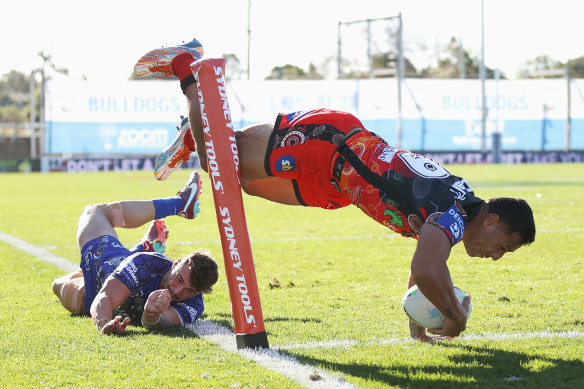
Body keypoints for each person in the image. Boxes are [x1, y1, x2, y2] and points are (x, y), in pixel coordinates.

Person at [134, 39, 536, 342]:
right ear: (493, 220)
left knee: (242, 184)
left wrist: (421, 324)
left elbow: (425, 265)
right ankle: (188, 67)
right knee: (219, 161)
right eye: (504, 245)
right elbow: (430, 269)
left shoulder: (460, 210)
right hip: (330, 145)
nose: (497, 256)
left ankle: (195, 134)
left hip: (338, 186)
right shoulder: (453, 214)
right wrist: (455, 316)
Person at [52, 171, 219, 335]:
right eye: (179, 279)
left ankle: (143, 246)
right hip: (104, 259)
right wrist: (104, 324)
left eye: (189, 291)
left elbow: (161, 322)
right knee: (93, 211)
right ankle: (178, 205)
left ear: (198, 293)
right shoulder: (144, 264)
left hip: (90, 292)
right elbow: (105, 297)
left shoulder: (195, 305)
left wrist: (151, 313)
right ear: (175, 263)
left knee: (62, 285)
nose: (177, 291)